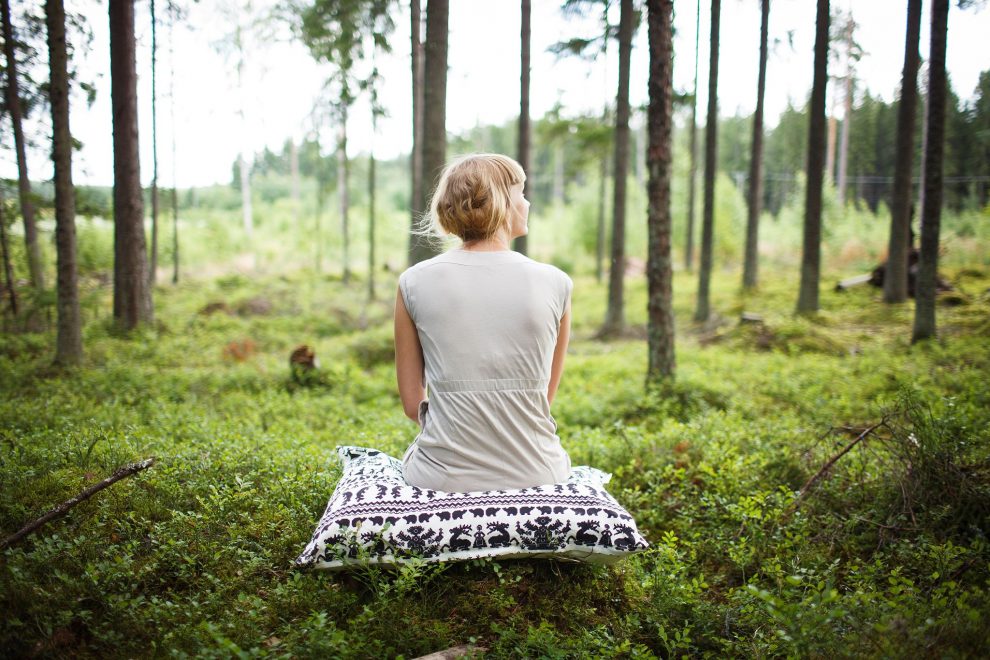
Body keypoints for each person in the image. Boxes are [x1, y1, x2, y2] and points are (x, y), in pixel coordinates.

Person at [394, 153, 573, 493]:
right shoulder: (556, 282)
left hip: (440, 477)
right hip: (540, 471)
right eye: (521, 193)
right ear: (504, 203)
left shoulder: (413, 281)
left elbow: (411, 404)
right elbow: (543, 402)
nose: (527, 202)